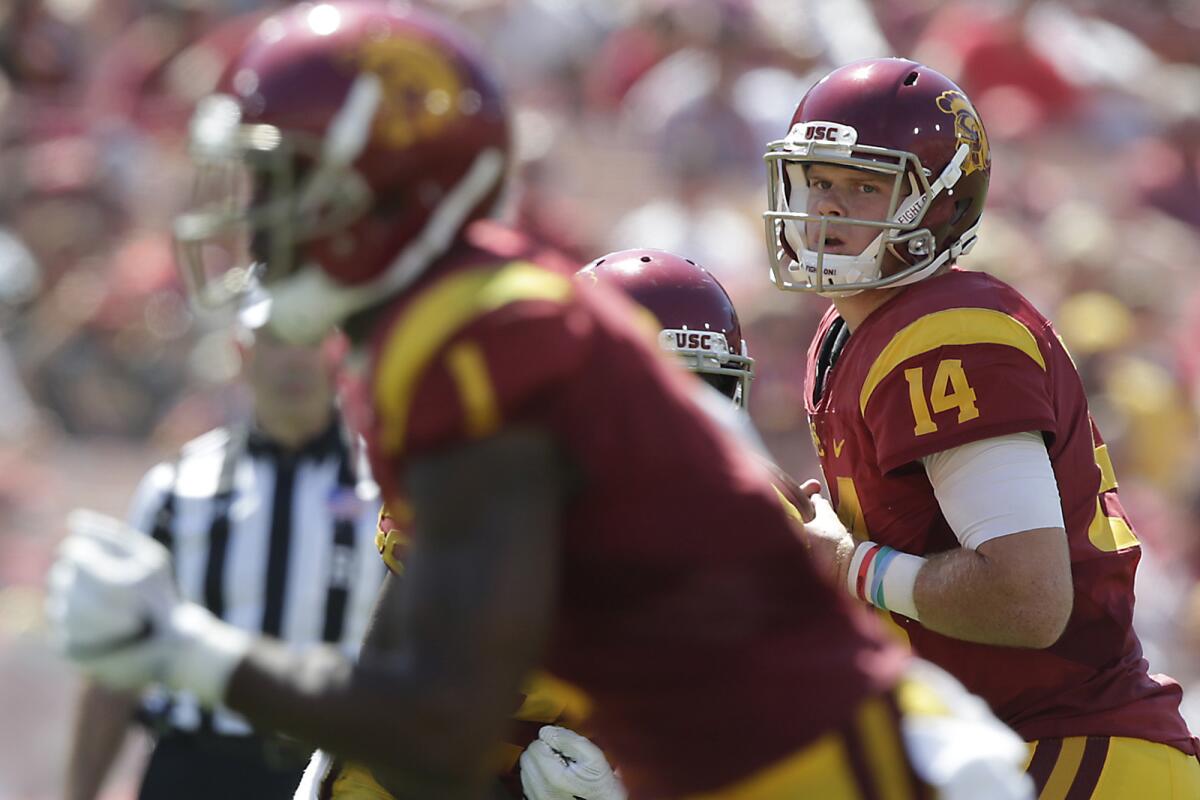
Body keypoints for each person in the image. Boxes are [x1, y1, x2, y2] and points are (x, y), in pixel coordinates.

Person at [47, 7, 1022, 799]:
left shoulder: (483, 347)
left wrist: (185, 649)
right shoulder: (441, 333)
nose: (254, 209)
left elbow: (430, 724)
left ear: (385, 191)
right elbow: (406, 711)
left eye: (286, 178)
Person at [762, 56, 1200, 797]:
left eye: (865, 186)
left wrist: (849, 565)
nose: (828, 210)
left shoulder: (946, 331)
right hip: (995, 748)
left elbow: (1027, 600)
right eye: (818, 180)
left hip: (1066, 753)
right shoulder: (849, 331)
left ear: (936, 202)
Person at [63, 312, 386, 800]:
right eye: (274, 339)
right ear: (242, 353)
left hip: (333, 771)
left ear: (339, 352)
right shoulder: (177, 487)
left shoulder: (386, 487)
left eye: (309, 337)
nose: (293, 359)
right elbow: (117, 664)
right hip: (198, 769)